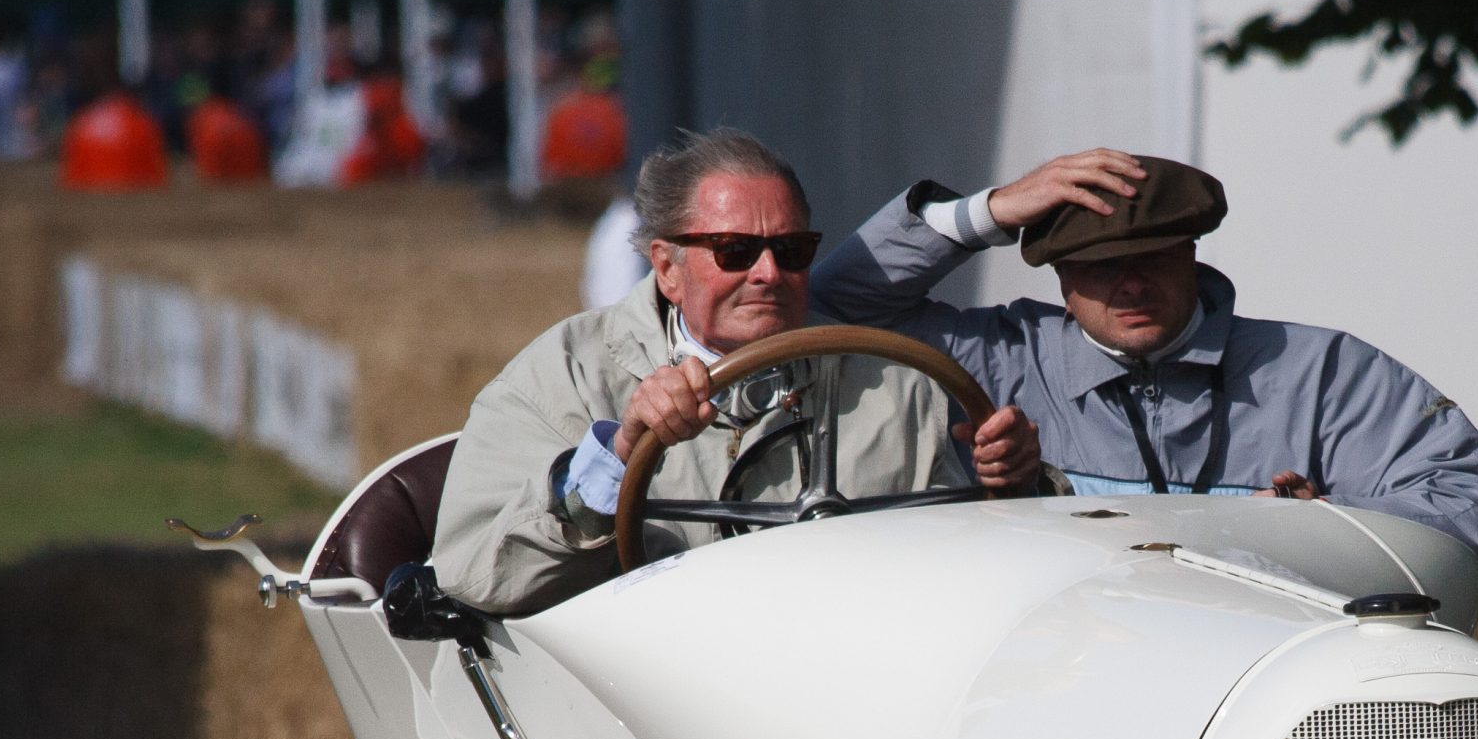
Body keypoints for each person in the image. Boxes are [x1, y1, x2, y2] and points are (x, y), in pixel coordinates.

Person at [432, 128, 1042, 616]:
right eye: (735, 251)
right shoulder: (561, 378)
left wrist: (1014, 485)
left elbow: (979, 572)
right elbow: (473, 575)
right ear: (666, 267)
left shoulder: (894, 380)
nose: (769, 274)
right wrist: (614, 459)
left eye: (792, 251)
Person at [811, 149, 1478, 563]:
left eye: (1154, 258)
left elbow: (1468, 496)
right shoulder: (1000, 355)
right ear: (1057, 275)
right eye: (1101, 267)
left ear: (1192, 253)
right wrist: (988, 210)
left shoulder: (1322, 371)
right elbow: (834, 303)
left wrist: (1323, 529)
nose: (1133, 284)